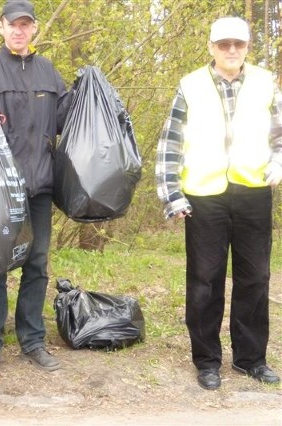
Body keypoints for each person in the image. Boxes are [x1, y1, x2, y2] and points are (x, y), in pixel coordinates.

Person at [155, 16, 282, 390]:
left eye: (238, 44)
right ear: (211, 47)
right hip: (203, 196)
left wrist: (278, 161)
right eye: (224, 44)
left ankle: (250, 359)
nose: (231, 51)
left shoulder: (265, 83)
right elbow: (170, 143)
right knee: (205, 281)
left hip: (254, 192)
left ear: (247, 48)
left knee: (255, 278)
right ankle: (207, 360)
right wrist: (171, 193)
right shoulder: (191, 85)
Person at [0, 0, 71, 375]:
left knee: (37, 264)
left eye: (25, 25)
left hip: (41, 185)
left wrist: (88, 95)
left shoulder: (48, 72)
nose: (19, 31)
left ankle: (32, 340)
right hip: (1, 188)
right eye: (13, 25)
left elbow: (64, 121)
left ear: (34, 30)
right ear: (1, 27)